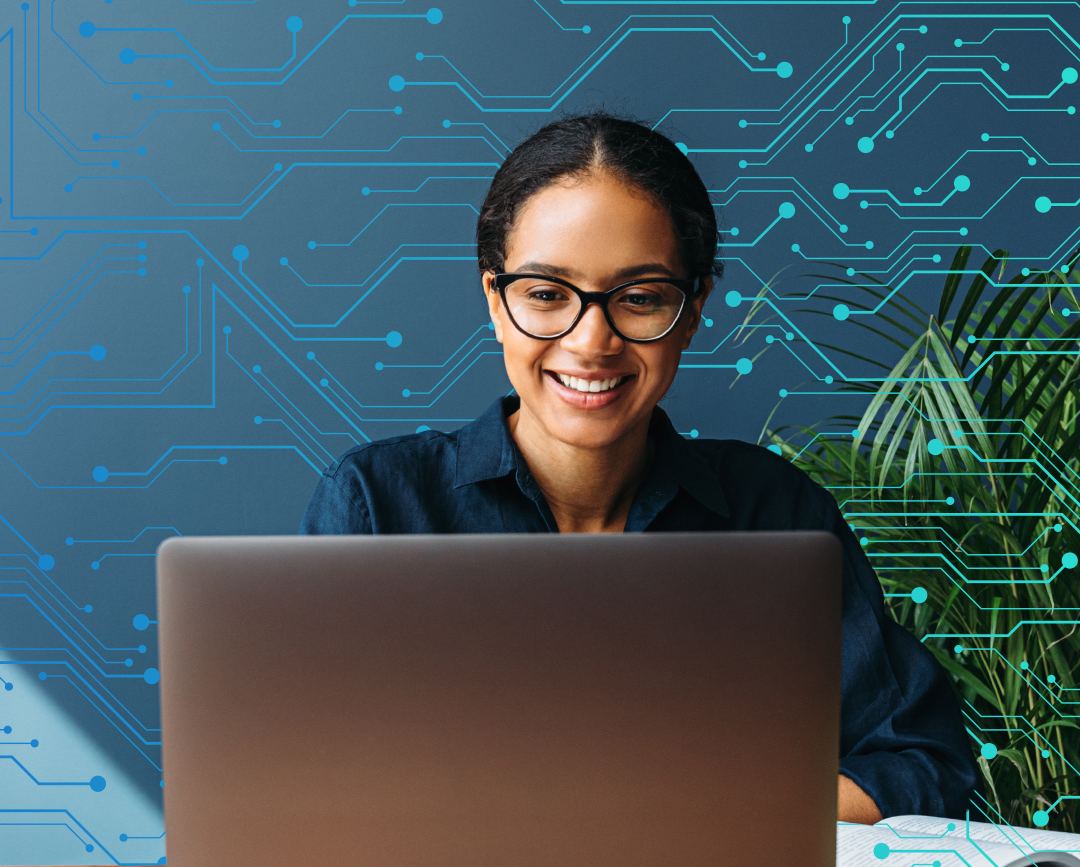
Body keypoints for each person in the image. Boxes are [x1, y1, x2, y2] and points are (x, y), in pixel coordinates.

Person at [301, 113, 980, 822]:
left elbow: (920, 764)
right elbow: (301, 784)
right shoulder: (377, 507)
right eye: (545, 294)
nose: (591, 341)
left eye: (641, 298)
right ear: (495, 303)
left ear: (692, 312)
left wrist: (696, 814)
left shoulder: (773, 516)